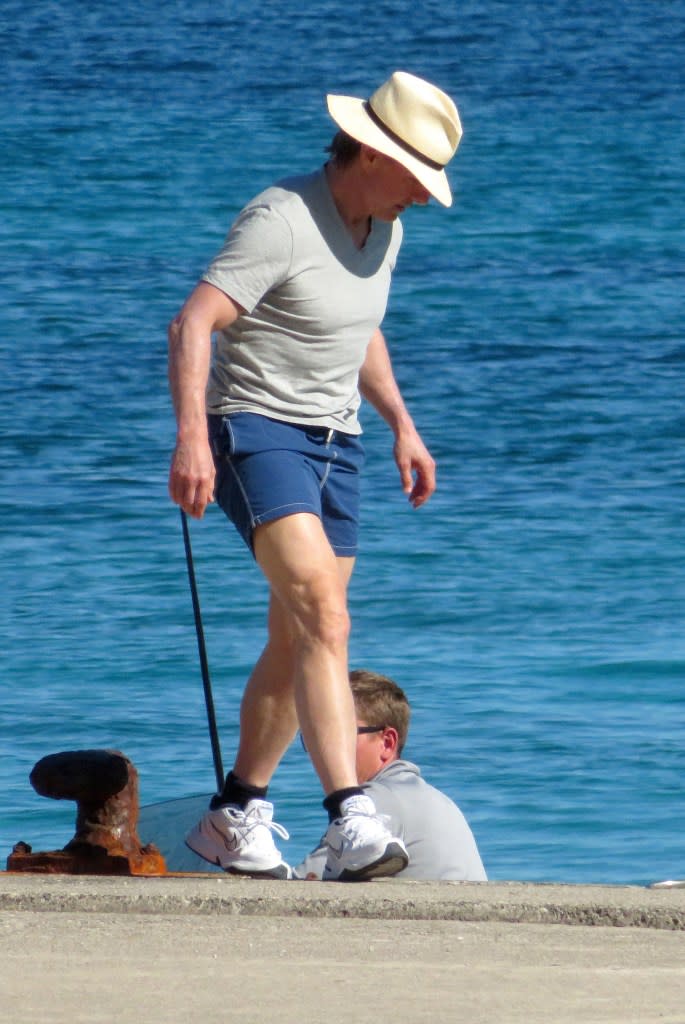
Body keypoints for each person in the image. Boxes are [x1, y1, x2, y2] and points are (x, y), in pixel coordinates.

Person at [167, 71, 463, 881]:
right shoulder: (282, 219)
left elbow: (356, 328)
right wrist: (193, 438)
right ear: (371, 152)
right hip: (255, 429)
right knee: (325, 614)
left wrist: (403, 423)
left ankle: (234, 809)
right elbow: (193, 321)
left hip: (340, 442)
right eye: (417, 178)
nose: (423, 198)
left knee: (296, 632)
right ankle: (349, 816)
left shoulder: (383, 227)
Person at [295, 669, 487, 881]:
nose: (321, 749)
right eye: (315, 737)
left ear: (387, 742)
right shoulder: (439, 800)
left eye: (341, 734)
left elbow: (302, 884)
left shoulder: (378, 801)